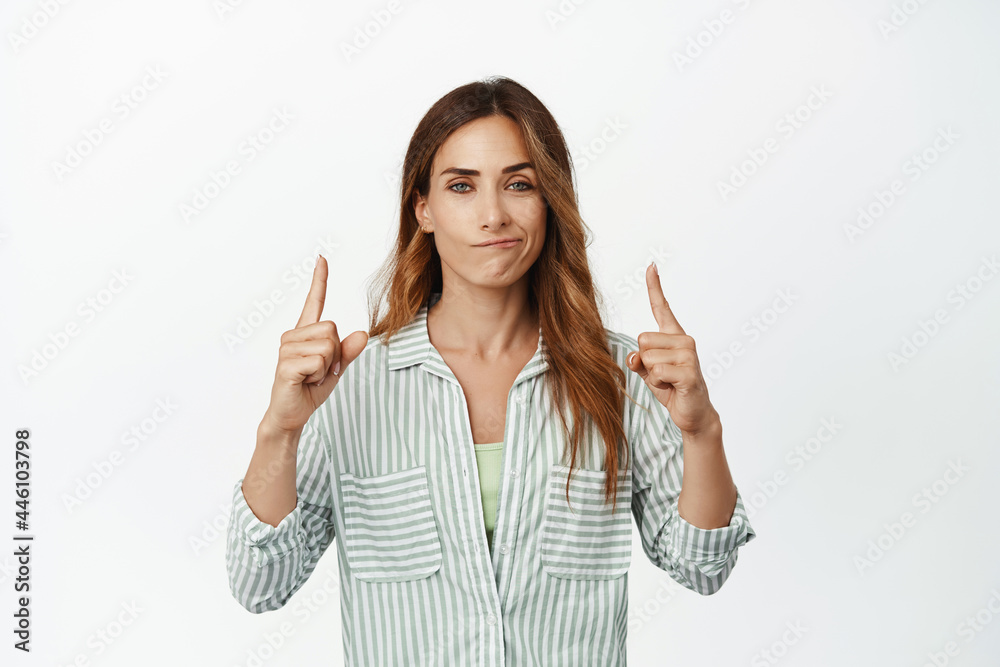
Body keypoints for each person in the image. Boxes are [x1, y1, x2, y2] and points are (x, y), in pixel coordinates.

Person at [226, 76, 756, 666]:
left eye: (519, 184)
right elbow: (259, 584)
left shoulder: (623, 374)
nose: (493, 215)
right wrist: (281, 428)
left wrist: (702, 430)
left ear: (550, 201)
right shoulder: (349, 385)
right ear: (422, 208)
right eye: (461, 186)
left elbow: (702, 566)